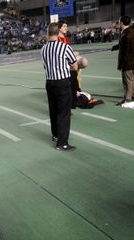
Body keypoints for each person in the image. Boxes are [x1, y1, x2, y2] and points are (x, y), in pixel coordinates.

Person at [41, 23, 78, 151]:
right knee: (63, 113)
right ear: (58, 33)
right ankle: (62, 143)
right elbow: (74, 65)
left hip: (49, 82)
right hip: (62, 82)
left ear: (48, 33)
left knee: (53, 110)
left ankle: (56, 135)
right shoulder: (64, 47)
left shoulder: (43, 49)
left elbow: (46, 66)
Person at [111, 15, 134, 106]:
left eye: (119, 22)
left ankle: (128, 98)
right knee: (132, 80)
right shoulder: (130, 31)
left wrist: (121, 65)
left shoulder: (125, 34)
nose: (118, 23)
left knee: (127, 81)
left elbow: (125, 52)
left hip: (127, 62)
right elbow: (123, 45)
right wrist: (116, 47)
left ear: (122, 23)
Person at [58, 20, 79, 109]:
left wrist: (74, 54)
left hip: (69, 61)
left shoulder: (67, 40)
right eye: (64, 26)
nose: (66, 28)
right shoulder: (56, 40)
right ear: (59, 28)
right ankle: (74, 91)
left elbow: (69, 52)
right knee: (73, 70)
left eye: (66, 26)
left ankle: (76, 90)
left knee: (83, 62)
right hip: (62, 63)